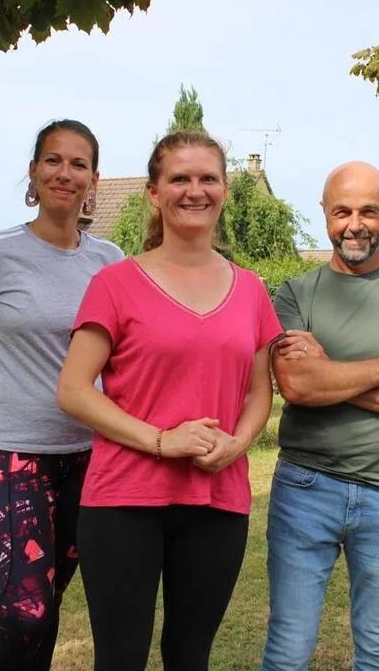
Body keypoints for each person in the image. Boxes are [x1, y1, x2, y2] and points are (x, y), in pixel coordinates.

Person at [57, 130, 282, 671]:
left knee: (189, 655)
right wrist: (161, 440)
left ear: (224, 190)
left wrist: (238, 444)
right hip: (123, 500)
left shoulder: (251, 289)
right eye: (179, 178)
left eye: (208, 178)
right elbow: (73, 390)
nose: (194, 190)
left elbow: (260, 390)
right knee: (120, 658)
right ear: (154, 194)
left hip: (217, 500)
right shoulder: (115, 284)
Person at [0, 119, 123, 670]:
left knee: (48, 599)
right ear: (34, 171)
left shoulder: (110, 261)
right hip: (13, 455)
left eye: (79, 164)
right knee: (26, 610)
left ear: (94, 181)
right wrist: (4, 409)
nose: (65, 173)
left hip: (90, 458)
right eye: (53, 160)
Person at [262, 161, 379, 671]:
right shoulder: (295, 293)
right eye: (342, 211)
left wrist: (330, 374)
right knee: (288, 646)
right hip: (305, 487)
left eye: (368, 211)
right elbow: (297, 385)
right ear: (324, 212)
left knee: (378, 646)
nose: (355, 224)